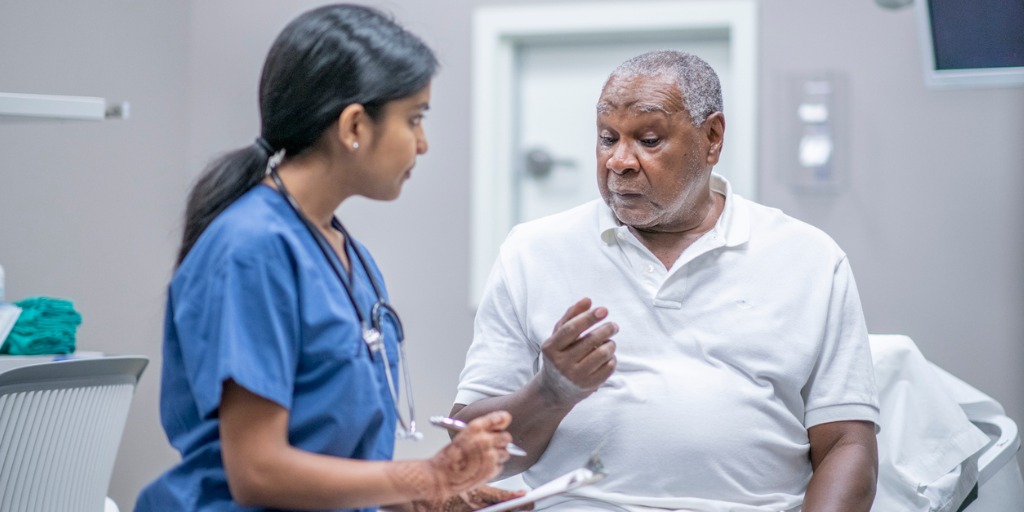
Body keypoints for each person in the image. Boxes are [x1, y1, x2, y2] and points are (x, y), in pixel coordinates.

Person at [451, 50, 880, 512]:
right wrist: (550, 392)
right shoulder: (532, 252)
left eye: (648, 140)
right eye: (607, 138)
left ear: (712, 138)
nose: (619, 161)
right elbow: (465, 457)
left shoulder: (809, 258)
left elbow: (846, 445)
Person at [135, 5, 525, 511]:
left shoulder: (350, 258)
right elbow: (258, 471)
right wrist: (423, 476)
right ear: (354, 125)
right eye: (414, 119)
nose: (423, 144)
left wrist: (435, 496)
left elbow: (333, 453)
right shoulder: (252, 249)